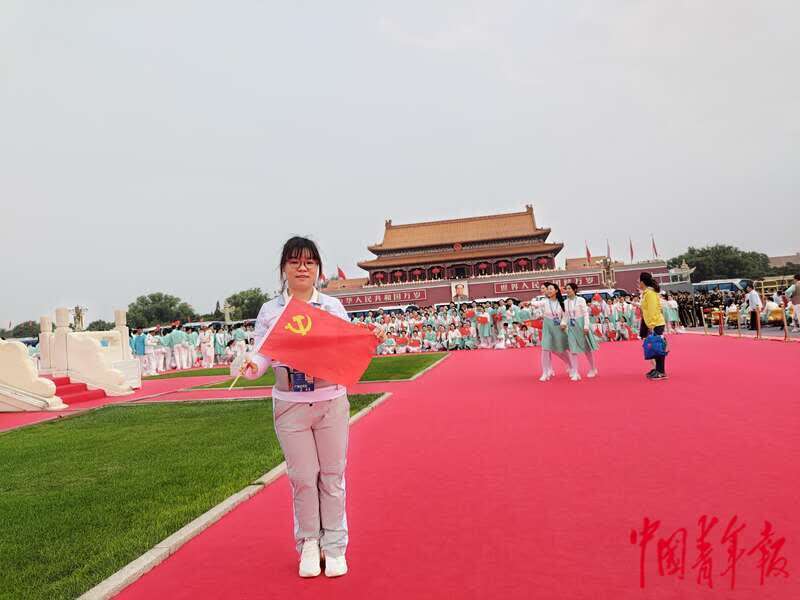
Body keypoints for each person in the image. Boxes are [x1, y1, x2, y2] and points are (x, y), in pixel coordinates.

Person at [238, 236, 382, 579]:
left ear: (318, 268)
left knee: (332, 476)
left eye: (309, 262)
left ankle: (335, 545)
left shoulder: (331, 307)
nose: (302, 268)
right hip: (290, 404)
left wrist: (368, 337)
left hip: (330, 399)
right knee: (302, 478)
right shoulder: (271, 311)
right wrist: (251, 366)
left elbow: (346, 347)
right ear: (284, 269)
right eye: (294, 262)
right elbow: (263, 352)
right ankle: (308, 543)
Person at [530, 283, 576, 381]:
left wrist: (563, 323)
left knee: (561, 350)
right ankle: (545, 373)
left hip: (558, 328)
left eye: (551, 289)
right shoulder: (545, 301)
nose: (549, 291)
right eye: (548, 289)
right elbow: (535, 303)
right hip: (547, 328)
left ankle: (571, 366)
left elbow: (566, 315)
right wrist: (530, 302)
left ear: (556, 291)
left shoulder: (562, 303)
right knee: (545, 349)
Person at [562, 283, 599, 378]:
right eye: (566, 289)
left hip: (581, 325)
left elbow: (586, 314)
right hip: (571, 327)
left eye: (569, 288)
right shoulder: (565, 302)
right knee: (573, 350)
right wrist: (563, 323)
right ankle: (575, 372)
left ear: (574, 290)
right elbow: (566, 315)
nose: (567, 290)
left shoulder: (581, 300)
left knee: (587, 349)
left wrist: (586, 326)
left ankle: (593, 368)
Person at [639, 272, 668, 380]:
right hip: (654, 323)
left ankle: (661, 371)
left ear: (642, 282)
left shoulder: (650, 293)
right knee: (655, 347)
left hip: (656, 324)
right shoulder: (647, 293)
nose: (639, 283)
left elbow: (652, 310)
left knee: (657, 347)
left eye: (639, 281)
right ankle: (658, 369)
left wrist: (651, 324)